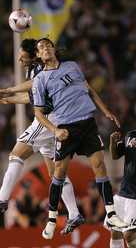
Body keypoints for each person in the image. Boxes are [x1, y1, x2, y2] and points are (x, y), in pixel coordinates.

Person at [0, 39, 84, 234]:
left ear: (33, 55)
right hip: (55, 120)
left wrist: (9, 90)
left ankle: (2, 199)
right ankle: (74, 213)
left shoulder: (40, 66)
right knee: (56, 173)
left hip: (47, 120)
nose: (19, 58)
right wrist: (8, 99)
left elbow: (33, 86)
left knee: (16, 154)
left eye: (21, 54)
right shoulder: (34, 69)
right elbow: (31, 96)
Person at [32, 37, 128, 239]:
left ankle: (111, 213)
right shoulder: (40, 79)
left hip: (87, 123)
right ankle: (51, 219)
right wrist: (55, 130)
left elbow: (89, 90)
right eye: (41, 48)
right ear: (39, 56)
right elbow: (39, 113)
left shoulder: (72, 66)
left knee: (100, 166)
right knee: (59, 172)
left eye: (48, 45)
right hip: (66, 128)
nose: (46, 48)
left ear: (54, 49)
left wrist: (106, 110)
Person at [105, 130, 136, 248]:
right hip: (123, 192)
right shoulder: (131, 135)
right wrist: (113, 142)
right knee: (115, 232)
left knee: (129, 235)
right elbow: (115, 155)